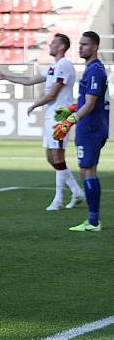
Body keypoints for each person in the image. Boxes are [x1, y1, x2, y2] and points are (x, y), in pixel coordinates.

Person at [0, 33, 85, 211]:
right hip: (51, 116)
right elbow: (30, 80)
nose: (50, 45)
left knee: (57, 156)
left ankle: (58, 199)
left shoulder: (64, 65)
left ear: (62, 47)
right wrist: (5, 77)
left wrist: (34, 105)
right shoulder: (53, 67)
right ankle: (77, 191)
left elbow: (52, 94)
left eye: (54, 43)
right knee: (51, 158)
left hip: (59, 117)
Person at [52, 31, 110, 231]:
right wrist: (70, 110)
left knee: (87, 171)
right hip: (90, 127)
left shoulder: (95, 70)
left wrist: (68, 122)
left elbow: (92, 104)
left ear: (94, 47)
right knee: (87, 171)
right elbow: (87, 101)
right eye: (80, 44)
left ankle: (93, 221)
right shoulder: (91, 69)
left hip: (91, 129)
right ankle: (92, 220)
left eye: (85, 44)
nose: (80, 47)